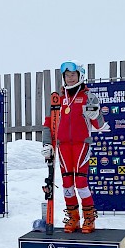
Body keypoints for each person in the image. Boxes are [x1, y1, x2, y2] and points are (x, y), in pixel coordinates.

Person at [42, 60, 109, 234]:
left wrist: (96, 114)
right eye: (67, 75)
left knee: (80, 183)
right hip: (63, 147)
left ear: (80, 76)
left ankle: (89, 218)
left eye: (73, 75)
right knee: (66, 184)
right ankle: (73, 218)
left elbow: (100, 124)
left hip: (81, 145)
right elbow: (48, 124)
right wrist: (47, 143)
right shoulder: (59, 98)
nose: (70, 78)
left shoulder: (89, 96)